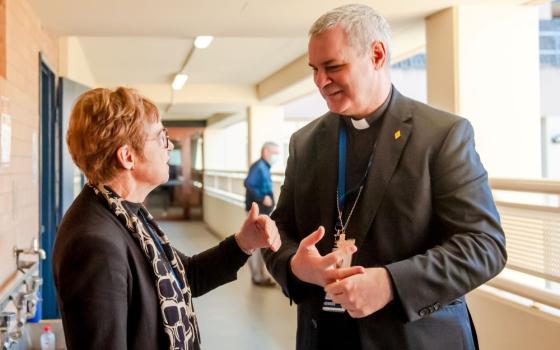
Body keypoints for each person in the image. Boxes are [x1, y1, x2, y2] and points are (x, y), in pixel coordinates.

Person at [263, 4, 507, 350]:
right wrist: (296, 266)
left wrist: (391, 283)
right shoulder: (305, 142)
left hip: (413, 337)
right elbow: (281, 229)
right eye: (315, 69)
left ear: (376, 55)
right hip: (323, 338)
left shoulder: (442, 135)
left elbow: (484, 245)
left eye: (333, 67)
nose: (320, 81)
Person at [52, 87, 281, 350]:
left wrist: (244, 242)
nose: (169, 146)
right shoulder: (94, 243)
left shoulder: (127, 215)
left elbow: (187, 276)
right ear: (128, 157)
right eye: (162, 137)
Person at [244, 142, 280, 286]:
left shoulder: (264, 167)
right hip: (258, 210)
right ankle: (258, 277)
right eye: (274, 153)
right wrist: (262, 197)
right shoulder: (259, 166)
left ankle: (259, 275)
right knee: (257, 245)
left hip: (263, 211)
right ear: (265, 151)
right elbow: (249, 183)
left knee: (258, 245)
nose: (276, 156)